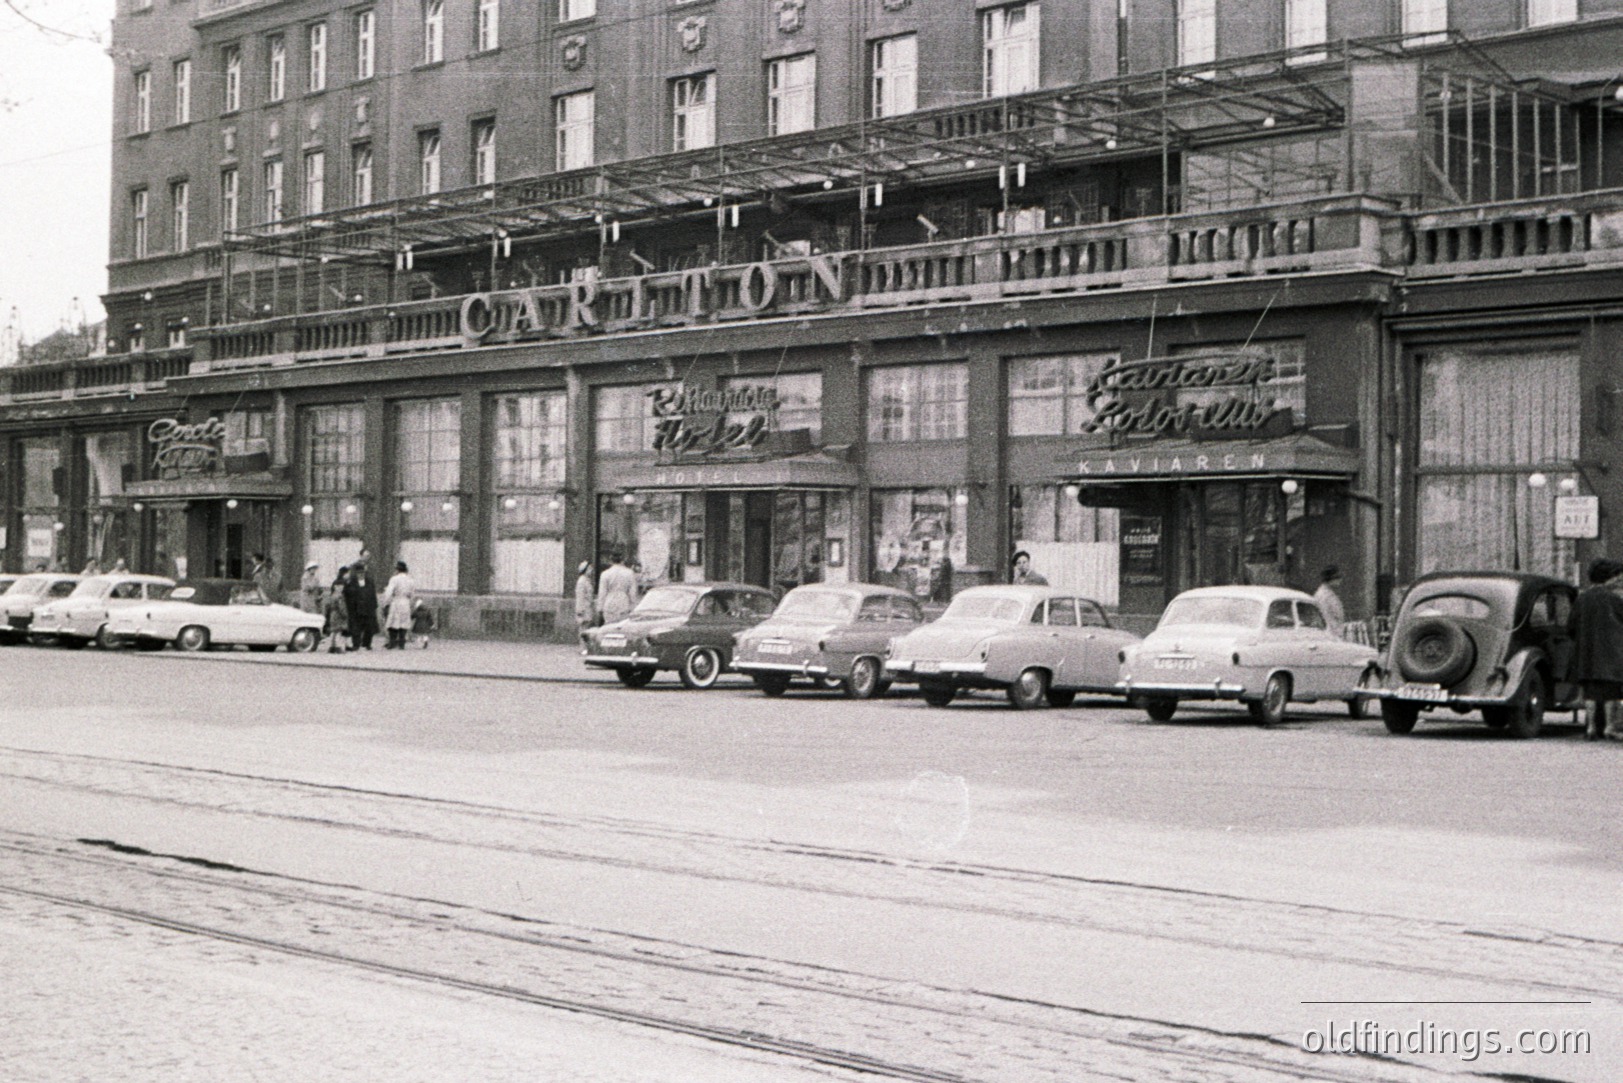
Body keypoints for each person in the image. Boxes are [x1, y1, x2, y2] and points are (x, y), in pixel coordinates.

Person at [1568, 558, 1623, 741]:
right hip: (1612, 653)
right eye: (1616, 577)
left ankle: (1590, 727)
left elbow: (1571, 627)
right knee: (1611, 693)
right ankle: (1609, 727)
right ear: (1608, 578)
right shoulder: (1615, 600)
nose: (1617, 580)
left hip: (1587, 653)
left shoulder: (1581, 599)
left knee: (1590, 693)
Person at [379, 560, 416, 650]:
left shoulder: (394, 579)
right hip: (405, 602)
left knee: (394, 622)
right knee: (404, 622)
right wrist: (411, 604)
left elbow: (389, 592)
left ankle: (392, 642)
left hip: (397, 601)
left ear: (397, 570)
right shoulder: (410, 580)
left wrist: (385, 603)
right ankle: (402, 643)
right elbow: (412, 594)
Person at [344, 561, 380, 650]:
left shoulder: (369, 581)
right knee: (356, 628)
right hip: (356, 609)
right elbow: (347, 596)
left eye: (362, 573)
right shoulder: (351, 582)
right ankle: (356, 644)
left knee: (369, 627)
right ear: (355, 573)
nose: (361, 575)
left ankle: (367, 644)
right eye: (359, 573)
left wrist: (374, 606)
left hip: (368, 608)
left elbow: (372, 594)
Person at [597, 551, 639, 625]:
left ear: (611, 561)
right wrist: (633, 606)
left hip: (609, 602)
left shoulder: (605, 574)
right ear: (623, 560)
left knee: (609, 627)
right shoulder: (629, 573)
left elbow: (602, 593)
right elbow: (633, 593)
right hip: (624, 603)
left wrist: (600, 608)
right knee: (623, 627)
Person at [1314, 565, 1347, 638]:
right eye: (1337, 577)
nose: (1340, 580)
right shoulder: (1325, 595)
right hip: (1331, 633)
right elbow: (1330, 614)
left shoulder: (1326, 593)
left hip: (1333, 632)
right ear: (1331, 578)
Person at [322, 571, 352, 653]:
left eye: (342, 586)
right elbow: (341, 607)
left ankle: (332, 646)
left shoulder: (331, 595)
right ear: (335, 587)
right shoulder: (339, 596)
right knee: (339, 632)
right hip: (338, 615)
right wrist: (345, 614)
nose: (341, 587)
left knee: (334, 632)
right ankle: (338, 647)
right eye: (339, 586)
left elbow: (327, 606)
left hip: (332, 614)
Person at [574, 561, 597, 645]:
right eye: (589, 569)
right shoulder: (582, 581)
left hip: (588, 608)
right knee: (583, 628)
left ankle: (585, 646)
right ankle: (583, 646)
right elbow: (580, 597)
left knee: (586, 628)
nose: (591, 570)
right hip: (584, 609)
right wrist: (580, 611)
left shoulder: (587, 581)